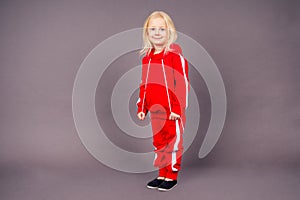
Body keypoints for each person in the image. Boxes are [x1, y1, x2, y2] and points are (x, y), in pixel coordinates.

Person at [137, 11, 189, 191]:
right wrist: (142, 106)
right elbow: (145, 84)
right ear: (147, 33)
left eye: (162, 29)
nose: (157, 33)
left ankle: (171, 175)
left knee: (172, 141)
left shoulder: (175, 57)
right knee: (159, 142)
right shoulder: (147, 59)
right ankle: (162, 173)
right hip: (155, 110)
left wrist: (177, 108)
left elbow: (182, 84)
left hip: (172, 112)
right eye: (153, 29)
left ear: (169, 32)